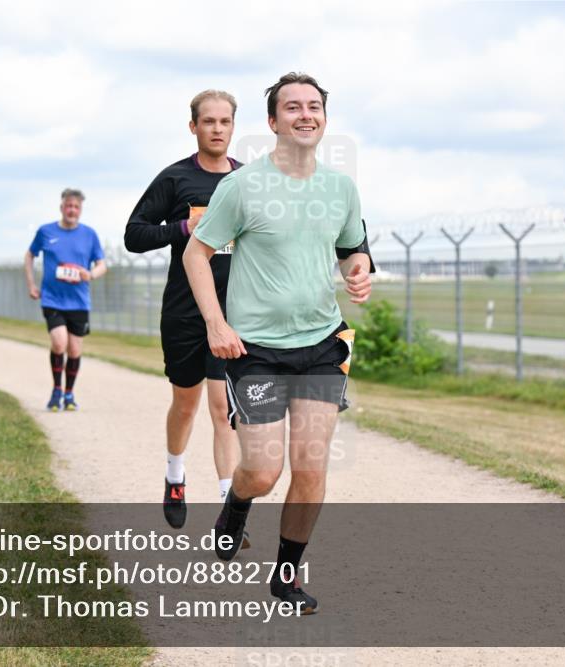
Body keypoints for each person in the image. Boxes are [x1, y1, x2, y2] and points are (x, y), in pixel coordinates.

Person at [183, 72, 373, 614]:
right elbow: (196, 254)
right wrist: (216, 325)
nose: (305, 115)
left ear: (324, 119)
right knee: (264, 472)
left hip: (321, 343)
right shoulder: (242, 186)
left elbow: (352, 249)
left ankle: (285, 580)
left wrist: (359, 272)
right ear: (272, 121)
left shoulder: (340, 188)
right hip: (256, 351)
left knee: (311, 467)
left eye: (314, 106)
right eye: (293, 107)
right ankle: (236, 506)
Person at [124, 89, 245, 529]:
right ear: (193, 127)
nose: (217, 129)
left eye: (225, 121)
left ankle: (230, 508)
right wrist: (182, 227)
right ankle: (175, 475)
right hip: (183, 312)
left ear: (233, 126)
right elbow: (134, 235)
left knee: (223, 407)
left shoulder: (247, 181)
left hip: (232, 313)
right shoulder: (174, 179)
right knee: (185, 404)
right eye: (208, 121)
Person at [25, 188, 107, 411]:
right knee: (59, 342)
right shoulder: (46, 231)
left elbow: (102, 265)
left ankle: (69, 394)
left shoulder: (89, 234)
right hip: (52, 299)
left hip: (79, 301)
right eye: (68, 206)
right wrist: (31, 284)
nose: (72, 210)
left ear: (80, 210)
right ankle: (56, 391)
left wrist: (90, 274)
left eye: (76, 207)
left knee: (74, 350)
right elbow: (30, 255)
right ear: (61, 207)